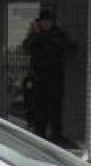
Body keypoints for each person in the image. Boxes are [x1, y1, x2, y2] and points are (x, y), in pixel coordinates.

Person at [22, 8, 74, 144]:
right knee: (39, 107)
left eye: (48, 21)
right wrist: (35, 34)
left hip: (55, 76)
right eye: (43, 22)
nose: (45, 24)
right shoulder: (35, 35)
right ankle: (40, 134)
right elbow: (26, 47)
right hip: (38, 77)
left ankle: (56, 135)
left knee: (55, 107)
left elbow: (69, 48)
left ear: (52, 22)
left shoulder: (59, 34)